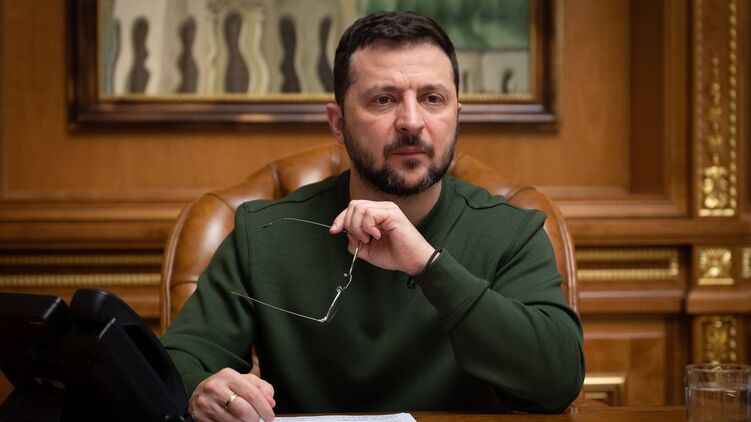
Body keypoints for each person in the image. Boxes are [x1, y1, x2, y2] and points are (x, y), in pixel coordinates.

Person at [161, 11, 584, 422]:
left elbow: (558, 380)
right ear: (338, 123)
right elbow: (177, 362)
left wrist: (428, 265)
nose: (412, 122)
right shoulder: (264, 233)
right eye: (384, 100)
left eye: (432, 99)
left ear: (456, 117)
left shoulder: (512, 232)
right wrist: (201, 389)